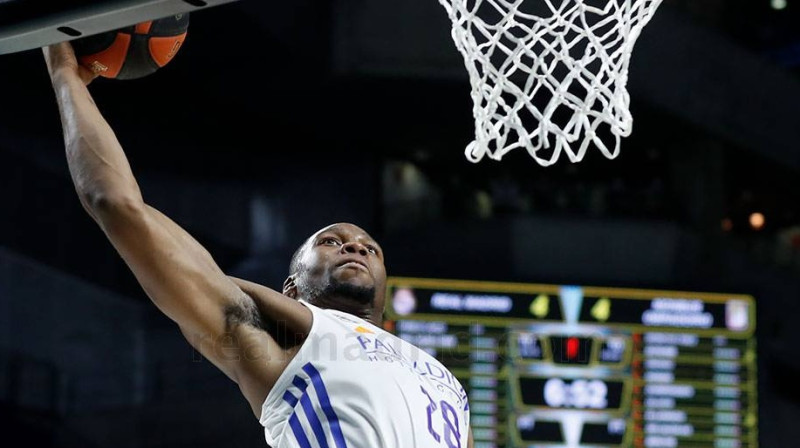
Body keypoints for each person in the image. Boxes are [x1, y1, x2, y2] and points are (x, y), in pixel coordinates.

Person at [42, 42, 473, 448]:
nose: (355, 247)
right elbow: (117, 204)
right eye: (331, 242)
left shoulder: (445, 380)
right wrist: (66, 76)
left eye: (369, 247)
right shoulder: (279, 337)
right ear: (292, 287)